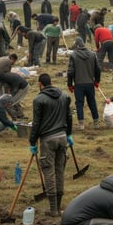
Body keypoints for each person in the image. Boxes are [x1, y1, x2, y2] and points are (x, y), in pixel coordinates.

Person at [30, 74, 73, 216]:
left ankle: (53, 209)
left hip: (48, 139)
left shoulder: (39, 99)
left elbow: (36, 123)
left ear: (40, 84)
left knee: (49, 171)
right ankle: (58, 207)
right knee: (59, 170)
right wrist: (69, 134)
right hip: (62, 137)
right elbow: (69, 116)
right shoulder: (64, 96)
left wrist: (32, 142)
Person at [67, 37, 101, 129]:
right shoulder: (92, 54)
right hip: (90, 83)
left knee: (79, 104)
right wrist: (97, 81)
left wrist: (69, 84)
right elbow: (98, 69)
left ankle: (81, 124)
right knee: (92, 102)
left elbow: (70, 71)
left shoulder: (73, 55)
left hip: (78, 84)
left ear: (77, 45)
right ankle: (96, 123)